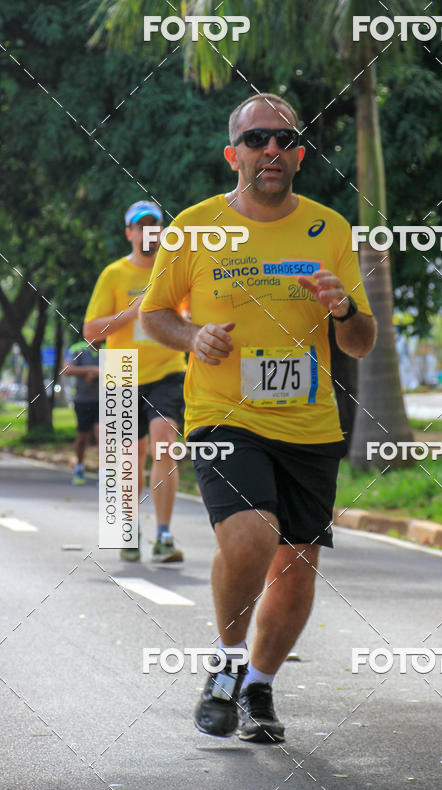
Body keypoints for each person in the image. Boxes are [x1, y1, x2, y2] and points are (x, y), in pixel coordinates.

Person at [140, 93, 377, 743]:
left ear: (298, 155)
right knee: (250, 536)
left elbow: (360, 342)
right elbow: (152, 315)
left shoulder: (329, 230)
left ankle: (260, 689)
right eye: (256, 140)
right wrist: (192, 338)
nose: (270, 149)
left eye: (283, 139)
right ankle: (225, 664)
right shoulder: (194, 227)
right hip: (223, 414)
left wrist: (343, 310)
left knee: (296, 568)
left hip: (309, 425)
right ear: (233, 154)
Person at [83, 201, 187, 563]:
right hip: (121, 369)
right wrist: (134, 312)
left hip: (168, 368)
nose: (148, 233)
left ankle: (163, 534)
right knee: (129, 457)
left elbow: (195, 315)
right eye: (140, 227)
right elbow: (91, 331)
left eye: (154, 226)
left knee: (163, 444)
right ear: (130, 233)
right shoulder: (113, 274)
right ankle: (127, 527)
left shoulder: (176, 270)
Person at [63, 340, 101, 485]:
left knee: (103, 434)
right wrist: (91, 369)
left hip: (106, 399)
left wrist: (100, 373)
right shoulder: (77, 348)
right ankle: (79, 466)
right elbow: (67, 370)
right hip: (83, 400)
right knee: (82, 437)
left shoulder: (111, 345)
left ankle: (104, 472)